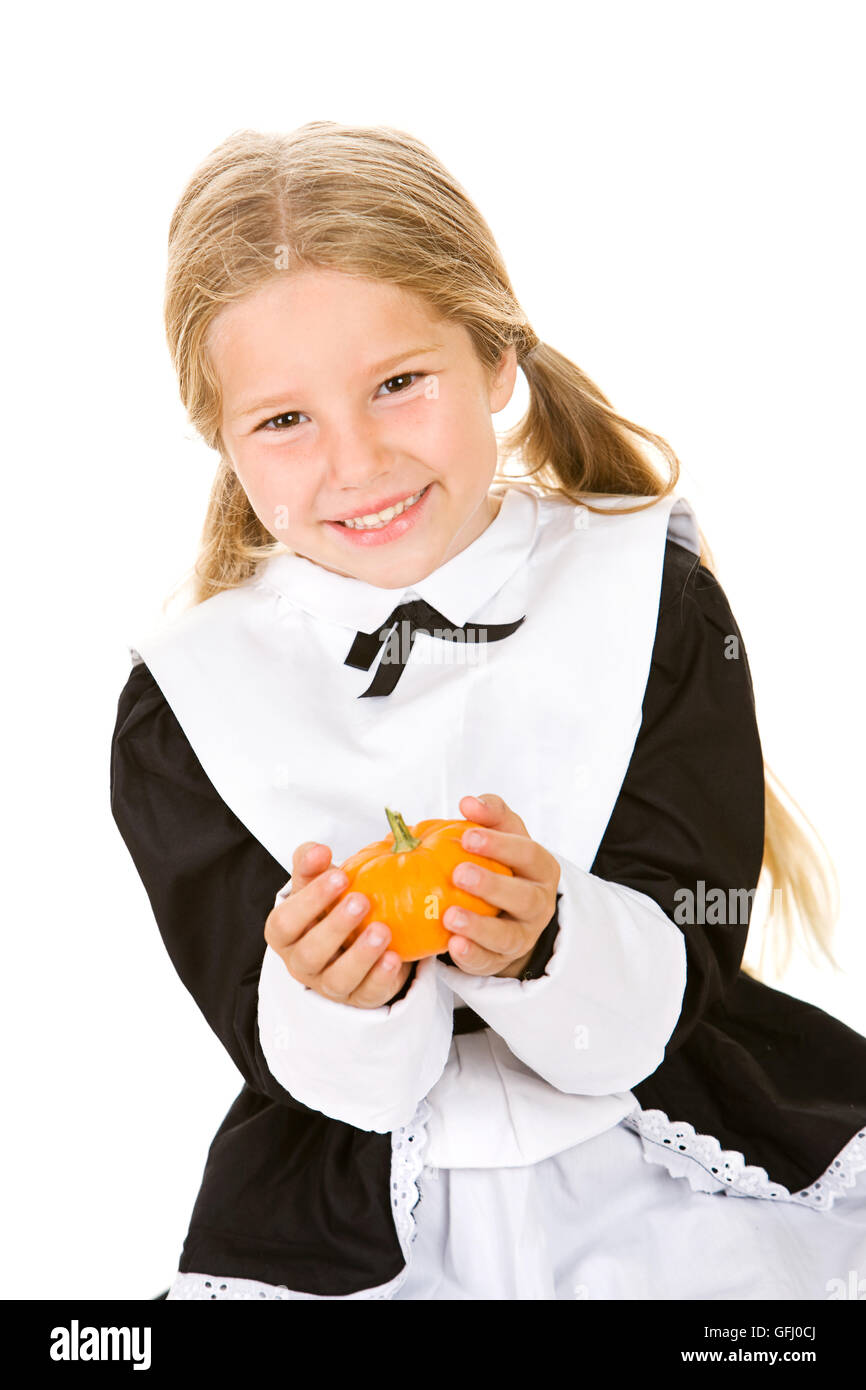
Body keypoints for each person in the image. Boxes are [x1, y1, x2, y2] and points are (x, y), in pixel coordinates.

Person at [110, 122, 866, 1301]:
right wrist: (337, 994)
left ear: (496, 361)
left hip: (668, 1147)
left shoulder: (647, 598)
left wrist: (547, 938)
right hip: (352, 1216)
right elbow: (305, 1070)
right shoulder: (187, 702)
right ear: (222, 437)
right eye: (284, 420)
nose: (356, 463)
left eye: (397, 384)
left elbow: (679, 963)